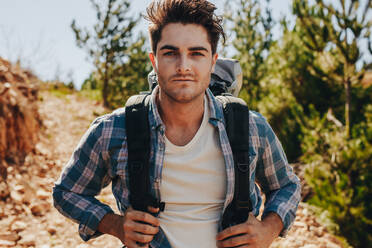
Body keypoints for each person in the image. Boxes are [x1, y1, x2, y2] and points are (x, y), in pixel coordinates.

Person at [53, 0, 301, 247]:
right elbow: (66, 192)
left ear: (213, 61)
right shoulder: (113, 130)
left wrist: (269, 229)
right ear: (154, 60)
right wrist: (114, 225)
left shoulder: (250, 128)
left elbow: (287, 186)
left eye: (196, 53)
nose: (183, 66)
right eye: (171, 53)